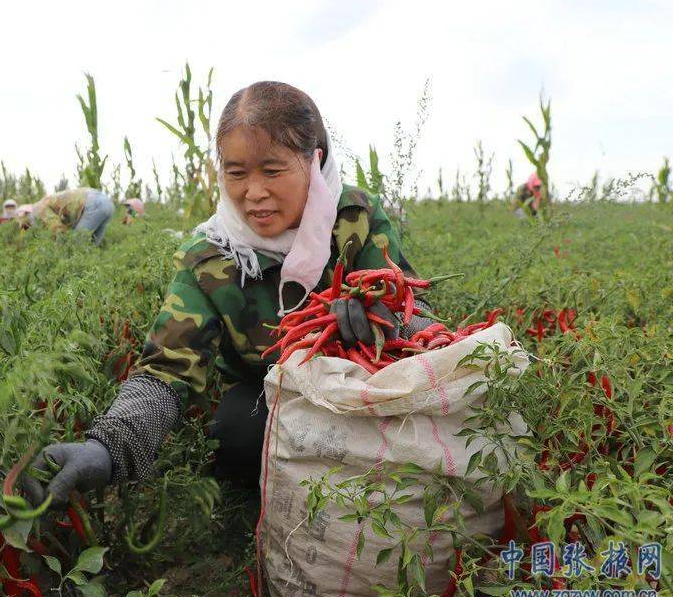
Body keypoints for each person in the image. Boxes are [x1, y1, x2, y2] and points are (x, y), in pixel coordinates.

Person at [23, 81, 434, 504]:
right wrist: (106, 449)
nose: (253, 193)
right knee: (237, 433)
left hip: (365, 382)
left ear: (315, 163)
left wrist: (386, 318)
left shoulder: (355, 220)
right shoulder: (211, 257)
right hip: (272, 393)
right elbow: (167, 370)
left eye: (272, 171)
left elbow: (413, 305)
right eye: (236, 173)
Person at [29, 187, 115, 245]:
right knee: (92, 246)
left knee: (75, 245)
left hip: (93, 204)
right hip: (108, 203)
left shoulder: (38, 209)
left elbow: (58, 229)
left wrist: (57, 247)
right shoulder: (48, 200)